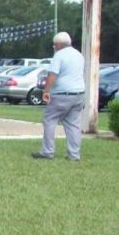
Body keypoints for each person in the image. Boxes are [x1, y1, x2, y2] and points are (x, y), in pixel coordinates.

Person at [33, 31, 86, 161]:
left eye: (54, 45)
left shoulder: (59, 56)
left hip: (61, 94)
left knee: (50, 120)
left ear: (58, 44)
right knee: (73, 124)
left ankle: (47, 151)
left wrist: (46, 91)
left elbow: (52, 75)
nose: (54, 47)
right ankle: (74, 155)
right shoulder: (79, 55)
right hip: (79, 94)